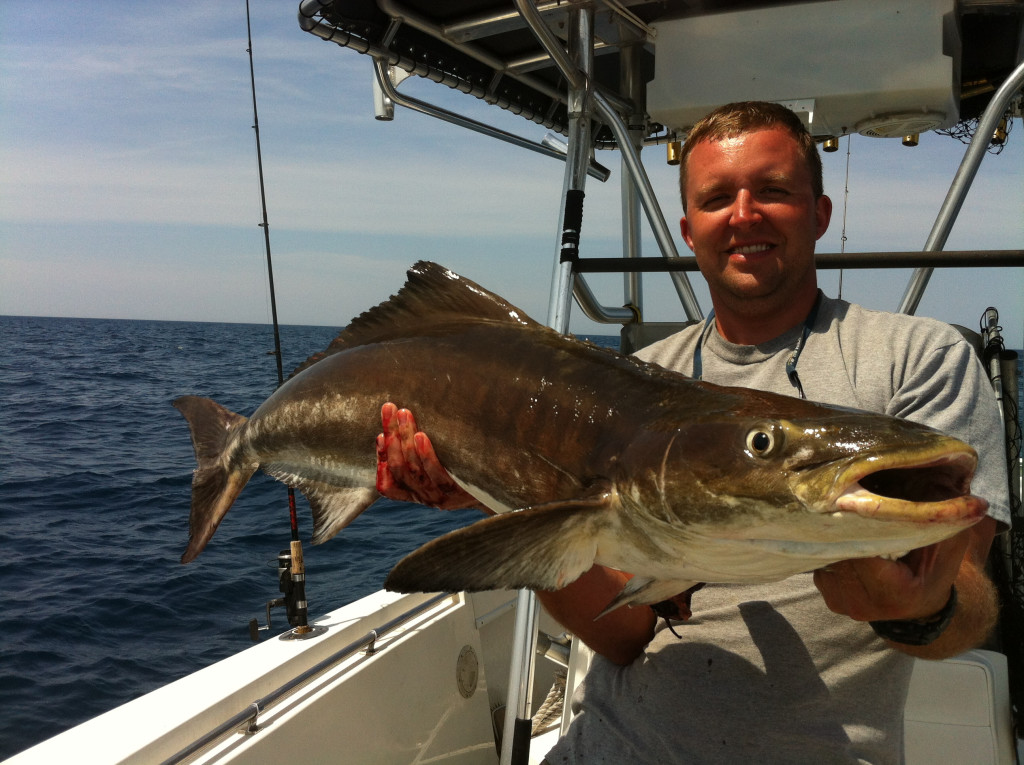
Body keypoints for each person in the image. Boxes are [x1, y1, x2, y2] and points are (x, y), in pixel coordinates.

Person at [375, 101, 1010, 763]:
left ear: (819, 214)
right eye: (717, 199)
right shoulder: (641, 382)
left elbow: (966, 605)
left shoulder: (916, 358)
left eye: (773, 191)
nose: (744, 215)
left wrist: (918, 604)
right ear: (688, 228)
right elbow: (624, 634)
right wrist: (499, 497)